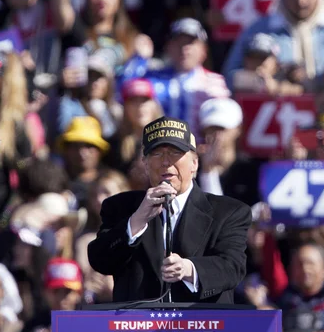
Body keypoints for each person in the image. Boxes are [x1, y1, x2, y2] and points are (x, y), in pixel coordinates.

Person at [87, 116, 251, 303]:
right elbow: (100, 260)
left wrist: (188, 269)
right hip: (137, 328)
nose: (166, 162)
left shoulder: (229, 212)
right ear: (145, 163)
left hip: (204, 327)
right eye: (156, 153)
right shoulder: (120, 207)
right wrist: (137, 220)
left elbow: (232, 267)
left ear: (195, 163)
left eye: (175, 152)